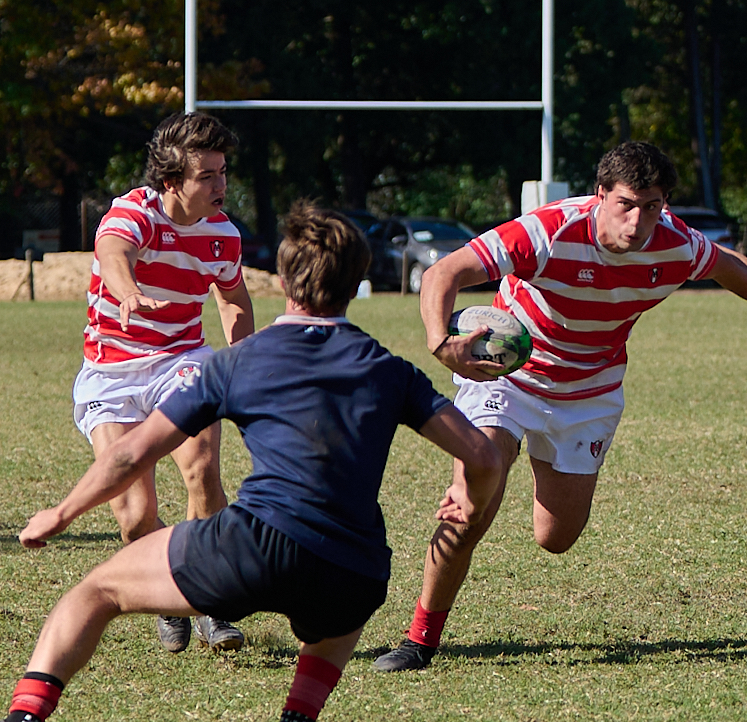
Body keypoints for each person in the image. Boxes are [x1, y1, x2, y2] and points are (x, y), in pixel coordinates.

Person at [6, 202, 500, 722]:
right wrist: (469, 493)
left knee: (94, 592)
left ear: (285, 281)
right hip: (355, 567)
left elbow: (130, 453)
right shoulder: (391, 370)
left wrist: (60, 514)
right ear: (356, 284)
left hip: (256, 546)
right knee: (339, 614)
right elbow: (483, 453)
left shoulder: (237, 362)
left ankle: (25, 716)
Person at [373, 140, 747, 671]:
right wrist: (439, 340)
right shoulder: (547, 231)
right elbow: (441, 273)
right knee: (475, 501)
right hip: (510, 376)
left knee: (557, 537)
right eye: (627, 204)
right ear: (600, 196)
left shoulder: (674, 243)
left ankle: (489, 475)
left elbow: (725, 264)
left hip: (589, 393)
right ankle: (420, 639)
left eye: (654, 206)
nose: (639, 221)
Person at [73, 111, 255, 652]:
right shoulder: (135, 212)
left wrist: (243, 363)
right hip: (112, 371)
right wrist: (128, 292)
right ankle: (170, 592)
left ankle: (213, 601)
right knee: (133, 518)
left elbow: (234, 300)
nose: (221, 185)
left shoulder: (223, 235)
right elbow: (113, 252)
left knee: (201, 469)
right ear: (172, 181)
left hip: (182, 358)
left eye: (223, 172)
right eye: (208, 176)